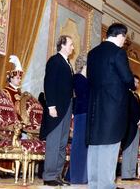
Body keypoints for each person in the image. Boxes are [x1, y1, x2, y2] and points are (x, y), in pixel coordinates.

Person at [86, 23, 134, 189]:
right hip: (113, 106)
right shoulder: (118, 53)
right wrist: (131, 84)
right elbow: (128, 78)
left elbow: (90, 79)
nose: (124, 41)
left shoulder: (92, 53)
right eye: (124, 38)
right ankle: (106, 185)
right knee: (110, 144)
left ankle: (93, 184)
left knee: (95, 144)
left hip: (94, 104)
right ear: (120, 35)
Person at [40, 35, 74, 187]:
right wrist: (51, 106)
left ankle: (57, 175)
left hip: (66, 108)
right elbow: (49, 83)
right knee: (54, 143)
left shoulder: (68, 64)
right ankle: (49, 176)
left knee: (62, 143)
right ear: (63, 45)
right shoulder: (55, 60)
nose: (72, 47)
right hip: (56, 108)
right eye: (71, 44)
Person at [121, 75, 140, 181]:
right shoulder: (125, 93)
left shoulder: (136, 95)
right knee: (128, 149)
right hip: (129, 126)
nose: (136, 84)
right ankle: (126, 175)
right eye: (135, 82)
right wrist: (138, 120)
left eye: (138, 82)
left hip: (137, 126)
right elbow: (129, 110)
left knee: (134, 150)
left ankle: (131, 174)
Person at [69, 54, 89, 184]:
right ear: (85, 64)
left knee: (85, 145)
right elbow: (83, 96)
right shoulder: (77, 78)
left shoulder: (87, 79)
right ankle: (76, 176)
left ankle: (83, 176)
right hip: (81, 113)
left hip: (86, 114)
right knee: (79, 145)